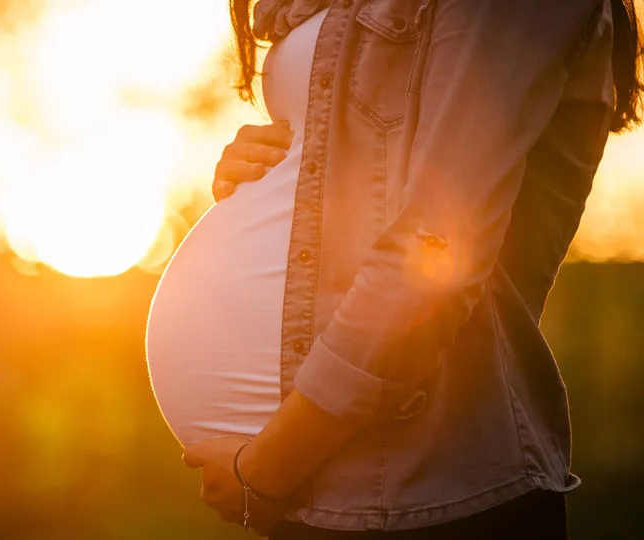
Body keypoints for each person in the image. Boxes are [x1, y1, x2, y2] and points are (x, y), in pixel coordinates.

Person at [172, 0, 643, 538]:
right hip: (323, 486)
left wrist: (267, 469)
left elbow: (433, 260)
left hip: (419, 492)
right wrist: (267, 177)